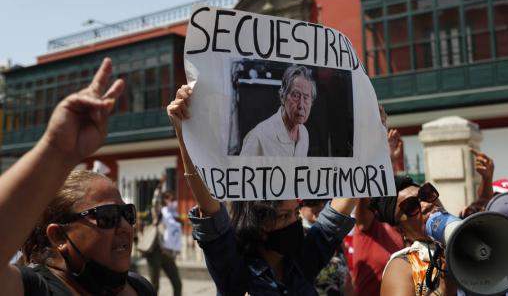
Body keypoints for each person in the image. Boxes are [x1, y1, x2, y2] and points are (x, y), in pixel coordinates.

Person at [167, 84, 357, 295]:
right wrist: (186, 134)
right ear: (259, 222)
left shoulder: (303, 261)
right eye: (284, 216)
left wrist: (370, 145)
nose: (295, 222)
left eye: (295, 213)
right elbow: (211, 212)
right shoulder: (235, 271)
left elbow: (338, 212)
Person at [0, 58, 155, 295]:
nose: (125, 226)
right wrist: (55, 149)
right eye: (108, 217)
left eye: (127, 214)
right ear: (59, 235)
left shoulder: (140, 287)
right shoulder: (33, 288)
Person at [370, 176, 458, 296]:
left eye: (427, 194)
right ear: (400, 230)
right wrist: (444, 287)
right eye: (411, 207)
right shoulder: (401, 268)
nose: (426, 205)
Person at [352, 104, 406, 296]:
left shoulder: (407, 232)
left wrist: (390, 160)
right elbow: (368, 182)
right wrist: (377, 138)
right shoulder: (370, 226)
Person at [240, 65, 317, 157]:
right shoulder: (258, 137)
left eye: (306, 98)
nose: (301, 105)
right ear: (282, 97)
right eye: (295, 96)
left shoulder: (304, 133)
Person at [300, 200, 354, 296]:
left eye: (326, 200)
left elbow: (347, 276)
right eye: (312, 203)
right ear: (299, 208)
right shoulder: (297, 239)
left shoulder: (335, 237)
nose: (321, 206)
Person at [143, 191, 183, 296]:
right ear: (165, 200)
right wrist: (159, 187)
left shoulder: (173, 214)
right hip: (155, 251)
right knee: (155, 286)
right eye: (171, 199)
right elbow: (155, 203)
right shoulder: (160, 213)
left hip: (167, 254)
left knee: (177, 284)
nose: (174, 202)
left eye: (175, 199)